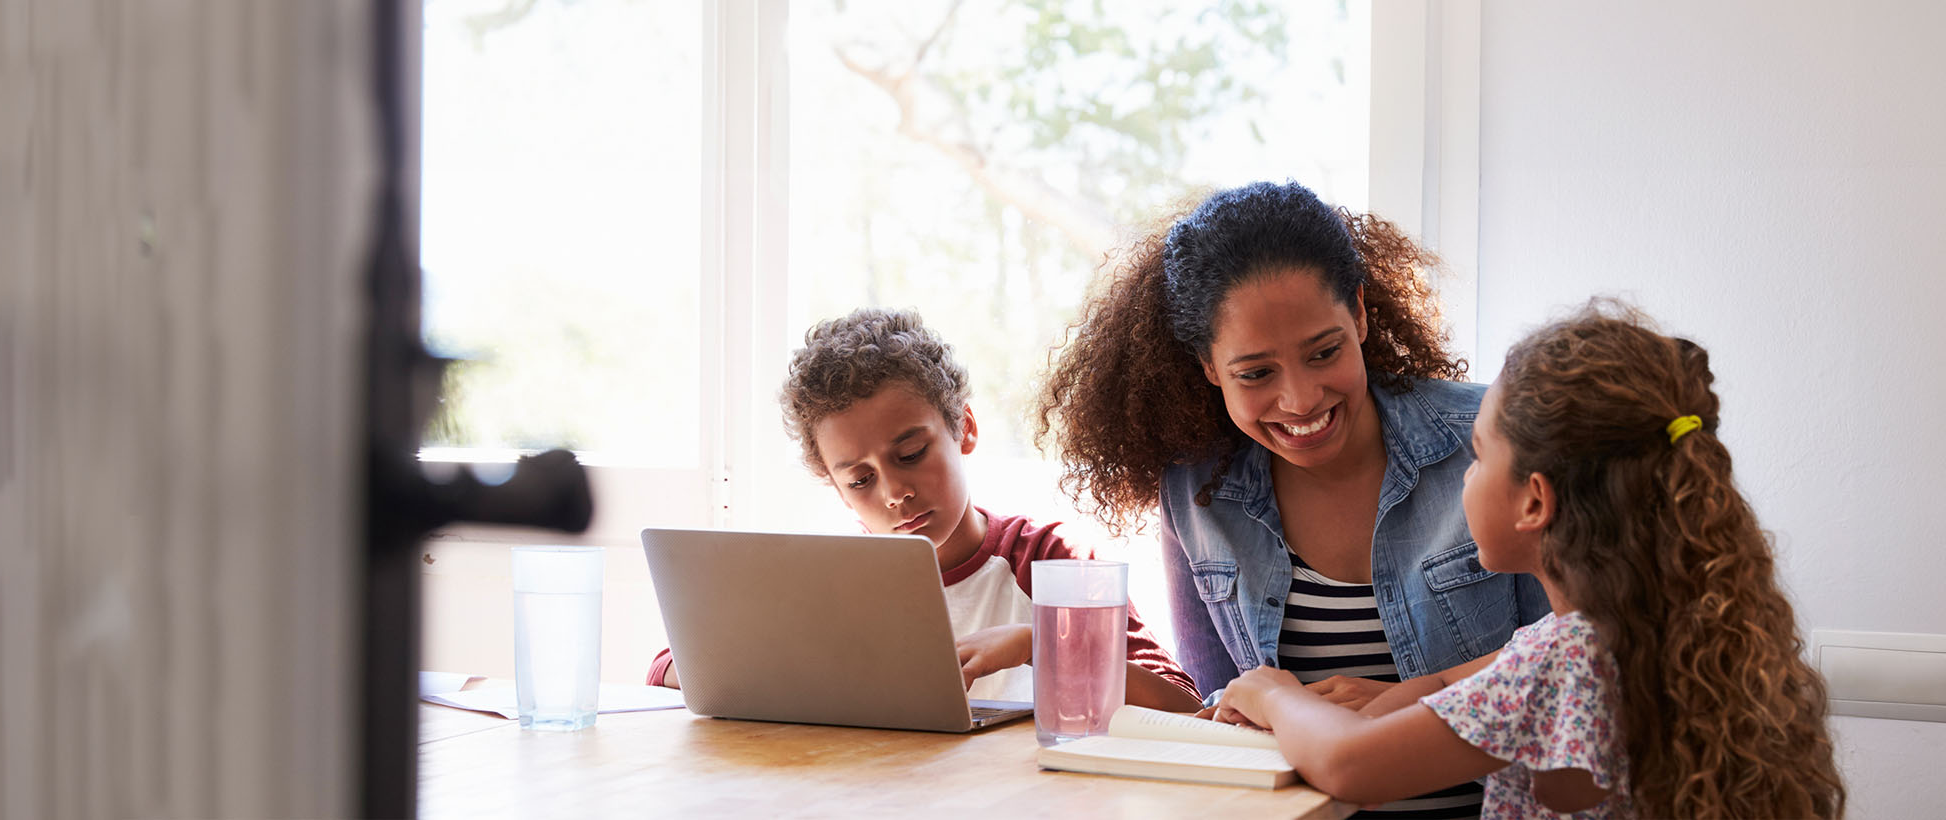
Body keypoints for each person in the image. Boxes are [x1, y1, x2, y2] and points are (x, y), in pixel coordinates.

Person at [1211, 303, 1847, 818]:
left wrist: (1275, 695)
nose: (1464, 479)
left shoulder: (1565, 661)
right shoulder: (1623, 633)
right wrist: (1376, 706)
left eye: (1480, 457)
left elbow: (1356, 769)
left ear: (1534, 501)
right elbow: (1441, 686)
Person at [1038, 180, 1547, 817]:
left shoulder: (1494, 444)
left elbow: (1570, 660)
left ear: (1359, 313)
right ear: (1208, 365)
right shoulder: (1195, 491)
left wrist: (1408, 700)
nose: (1300, 400)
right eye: (1255, 373)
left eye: (1324, 352)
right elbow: (1225, 702)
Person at [648, 307, 1200, 711]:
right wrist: (779, 663)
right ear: (834, 487)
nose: (893, 493)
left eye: (911, 454)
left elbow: (1180, 702)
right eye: (860, 479)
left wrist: (1038, 642)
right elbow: (666, 667)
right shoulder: (825, 576)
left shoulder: (1046, 559)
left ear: (965, 428)